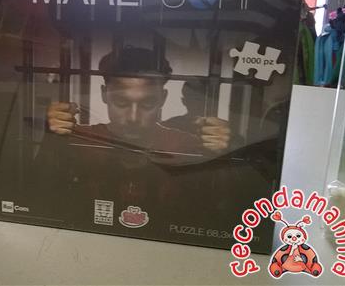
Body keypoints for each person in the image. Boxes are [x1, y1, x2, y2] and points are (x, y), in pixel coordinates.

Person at [45, 47, 232, 208]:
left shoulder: (185, 145)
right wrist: (52, 136)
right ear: (104, 94)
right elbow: (45, 190)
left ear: (163, 98)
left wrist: (224, 154)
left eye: (147, 104)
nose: (133, 118)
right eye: (121, 102)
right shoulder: (81, 140)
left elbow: (216, 205)